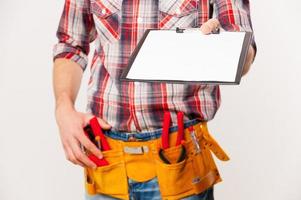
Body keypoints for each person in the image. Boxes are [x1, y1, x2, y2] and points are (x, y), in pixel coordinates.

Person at [52, 0, 256, 199]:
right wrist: (63, 107)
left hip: (180, 162)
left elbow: (244, 52)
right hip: (105, 158)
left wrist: (225, 45)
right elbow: (70, 45)